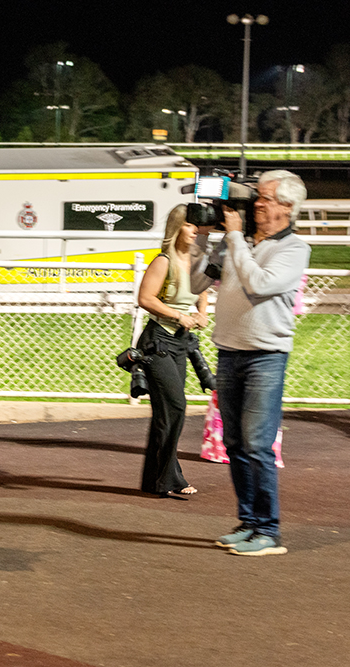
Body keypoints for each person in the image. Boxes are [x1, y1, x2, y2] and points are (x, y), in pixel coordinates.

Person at [191, 169, 310, 556]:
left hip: (265, 356)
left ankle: (269, 531)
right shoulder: (236, 243)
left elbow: (259, 284)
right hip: (229, 351)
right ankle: (249, 523)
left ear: (288, 206)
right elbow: (195, 284)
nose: (256, 203)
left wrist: (234, 239)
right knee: (235, 443)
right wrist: (204, 239)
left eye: (266, 198)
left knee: (258, 444)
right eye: (256, 196)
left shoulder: (294, 248)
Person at [135, 204, 209, 498]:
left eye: (197, 227)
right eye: (189, 225)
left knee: (165, 413)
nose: (195, 231)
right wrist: (179, 315)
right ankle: (168, 478)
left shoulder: (197, 261)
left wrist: (202, 312)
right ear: (176, 228)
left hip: (180, 343)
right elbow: (145, 298)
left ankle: (158, 479)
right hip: (158, 342)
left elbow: (203, 289)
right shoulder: (164, 261)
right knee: (175, 407)